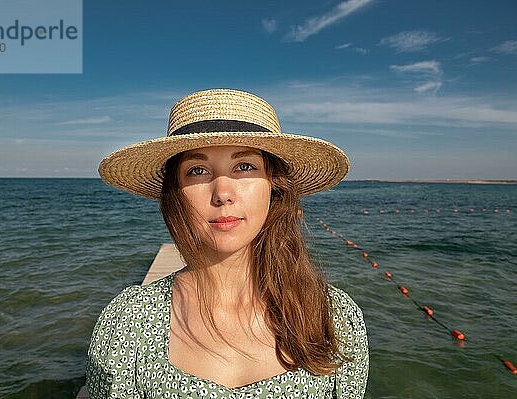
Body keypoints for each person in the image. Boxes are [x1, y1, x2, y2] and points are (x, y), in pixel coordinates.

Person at [87, 88, 368, 398]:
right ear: (176, 192)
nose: (222, 193)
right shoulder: (130, 322)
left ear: (273, 187)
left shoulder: (334, 316)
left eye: (244, 166)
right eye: (198, 170)